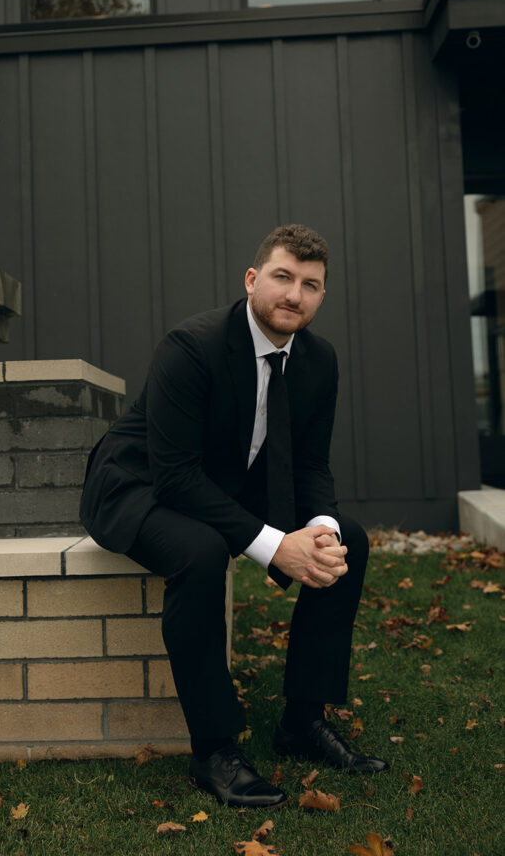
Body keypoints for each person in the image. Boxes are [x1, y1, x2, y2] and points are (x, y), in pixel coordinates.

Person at [80, 224, 388, 808]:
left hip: (224, 482)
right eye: (282, 277)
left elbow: (311, 462)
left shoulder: (319, 361)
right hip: (138, 484)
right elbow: (173, 476)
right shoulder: (191, 346)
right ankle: (215, 749)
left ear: (322, 297)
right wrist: (274, 545)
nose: (295, 295)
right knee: (198, 553)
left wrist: (318, 528)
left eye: (311, 285)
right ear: (252, 281)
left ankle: (302, 721)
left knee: (346, 539)